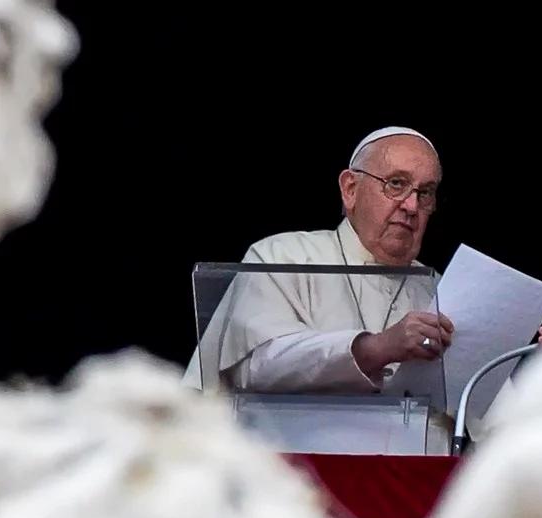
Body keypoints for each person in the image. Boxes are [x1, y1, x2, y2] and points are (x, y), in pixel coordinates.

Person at [185, 126, 454, 394]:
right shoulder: (282, 257)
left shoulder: (440, 291)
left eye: (425, 192)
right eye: (396, 184)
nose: (411, 206)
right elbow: (256, 364)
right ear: (350, 189)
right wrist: (375, 348)